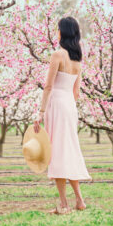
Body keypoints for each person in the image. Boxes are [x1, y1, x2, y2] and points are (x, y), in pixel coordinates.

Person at [34, 16, 92, 214]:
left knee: (57, 152)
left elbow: (49, 85)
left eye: (58, 29)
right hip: (69, 106)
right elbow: (76, 92)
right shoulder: (77, 60)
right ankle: (79, 200)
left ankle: (65, 204)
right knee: (68, 150)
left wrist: (41, 112)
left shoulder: (57, 55)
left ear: (63, 32)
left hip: (56, 104)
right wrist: (70, 108)